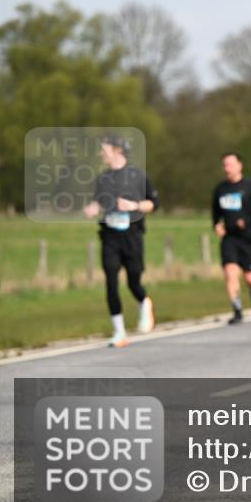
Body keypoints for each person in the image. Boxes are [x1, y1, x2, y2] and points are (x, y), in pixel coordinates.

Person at [82, 135, 159, 348]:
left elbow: (154, 203)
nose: (101, 153)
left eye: (104, 149)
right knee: (111, 281)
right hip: (110, 236)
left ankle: (144, 302)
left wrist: (134, 206)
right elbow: (99, 202)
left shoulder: (138, 175)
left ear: (117, 150)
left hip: (132, 236)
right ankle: (119, 332)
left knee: (134, 281)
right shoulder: (102, 179)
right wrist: (94, 208)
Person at [211, 152, 251, 324]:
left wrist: (247, 220)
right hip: (229, 238)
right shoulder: (220, 189)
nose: (227, 168)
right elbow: (215, 212)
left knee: (250, 277)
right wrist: (216, 225)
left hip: (248, 238)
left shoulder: (250, 186)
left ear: (239, 166)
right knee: (230, 272)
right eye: (225, 165)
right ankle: (237, 310)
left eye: (230, 164)